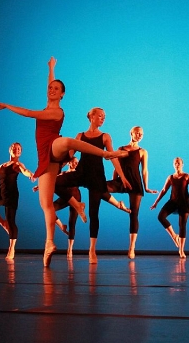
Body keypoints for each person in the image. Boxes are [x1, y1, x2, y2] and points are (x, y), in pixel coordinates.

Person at [0, 57, 127, 266]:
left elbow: (28, 113)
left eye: (56, 89)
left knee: (67, 141)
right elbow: (50, 86)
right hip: (45, 158)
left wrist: (8, 106)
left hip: (53, 145)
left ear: (62, 94)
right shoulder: (49, 104)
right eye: (50, 88)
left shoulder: (56, 111)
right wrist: (51, 68)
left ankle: (105, 154)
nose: (52, 90)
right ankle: (49, 243)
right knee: (46, 204)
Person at [54, 107, 132, 263]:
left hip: (96, 176)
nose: (103, 118)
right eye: (100, 116)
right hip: (81, 171)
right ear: (92, 116)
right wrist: (56, 167)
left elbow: (112, 157)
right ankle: (77, 205)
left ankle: (92, 250)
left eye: (104, 117)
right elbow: (70, 155)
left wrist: (122, 177)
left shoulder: (105, 137)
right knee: (56, 183)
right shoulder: (80, 136)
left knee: (93, 213)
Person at [107, 126, 157, 259]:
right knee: (100, 187)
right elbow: (116, 167)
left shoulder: (143, 152)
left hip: (135, 184)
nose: (139, 135)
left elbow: (144, 170)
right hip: (122, 181)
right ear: (131, 133)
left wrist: (146, 187)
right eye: (137, 133)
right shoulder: (121, 149)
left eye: (142, 134)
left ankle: (132, 247)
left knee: (134, 214)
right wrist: (114, 181)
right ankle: (119, 205)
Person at [149, 157, 189, 259]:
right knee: (161, 217)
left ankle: (181, 250)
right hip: (173, 201)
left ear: (182, 164)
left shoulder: (186, 176)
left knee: (182, 225)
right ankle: (174, 235)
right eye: (175, 163)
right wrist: (156, 202)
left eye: (178, 163)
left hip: (184, 203)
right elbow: (164, 190)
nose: (176, 165)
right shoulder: (170, 177)